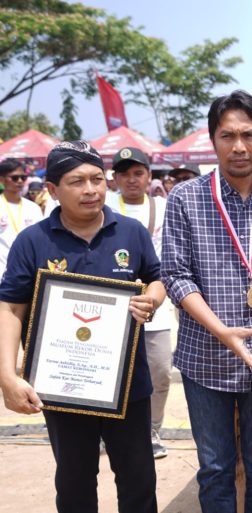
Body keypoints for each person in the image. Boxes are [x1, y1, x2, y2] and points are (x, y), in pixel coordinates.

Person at [0, 141, 164, 512]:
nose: (90, 190)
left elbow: (156, 278)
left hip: (127, 384)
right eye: (77, 182)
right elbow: (10, 307)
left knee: (139, 480)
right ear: (53, 190)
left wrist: (152, 299)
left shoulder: (131, 232)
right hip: (63, 386)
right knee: (74, 482)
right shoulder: (33, 241)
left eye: (96, 179)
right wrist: (7, 377)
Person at [161, 90, 252, 513]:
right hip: (206, 357)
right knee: (215, 468)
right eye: (228, 136)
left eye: (249, 135)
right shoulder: (185, 198)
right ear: (213, 140)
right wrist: (222, 331)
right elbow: (176, 276)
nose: (239, 146)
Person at [107, 147, 173, 460]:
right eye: (124, 174)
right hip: (111, 308)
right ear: (115, 178)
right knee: (110, 369)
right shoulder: (104, 206)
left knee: (160, 371)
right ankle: (106, 428)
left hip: (154, 304)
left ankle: (152, 429)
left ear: (148, 176)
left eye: (138, 173)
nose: (131, 180)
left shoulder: (165, 207)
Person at [0, 158, 43, 279]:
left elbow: (40, 240)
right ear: (2, 180)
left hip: (28, 271)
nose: (20, 181)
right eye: (14, 178)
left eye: (23, 178)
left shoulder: (33, 208)